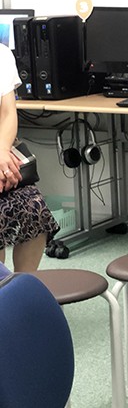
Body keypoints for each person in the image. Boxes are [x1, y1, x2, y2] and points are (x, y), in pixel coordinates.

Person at [0, 42, 59, 271]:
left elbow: (7, 113)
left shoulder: (2, 54)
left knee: (33, 207)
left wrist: (2, 151)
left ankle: (25, 286)